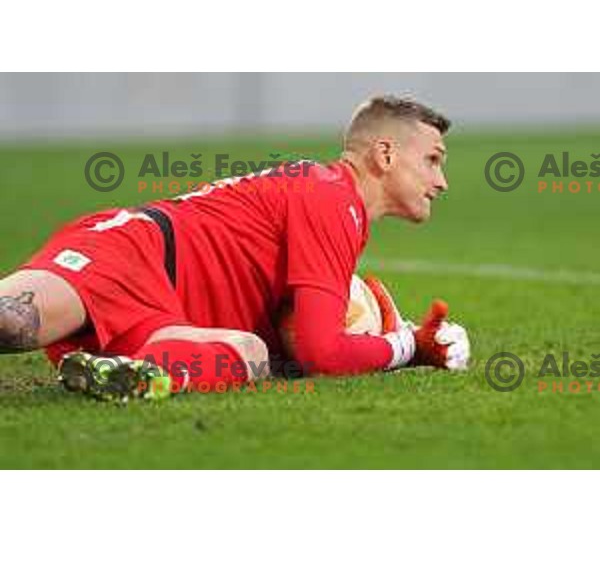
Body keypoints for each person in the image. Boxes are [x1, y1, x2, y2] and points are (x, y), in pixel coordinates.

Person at [0, 96, 470, 401]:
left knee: (251, 355)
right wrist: (407, 345)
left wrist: (394, 333)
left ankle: (130, 374)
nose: (441, 181)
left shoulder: (337, 206)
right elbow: (322, 353)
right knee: (11, 322)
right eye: (432, 160)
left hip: (169, 316)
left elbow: (301, 349)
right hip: (132, 253)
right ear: (385, 155)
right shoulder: (330, 195)